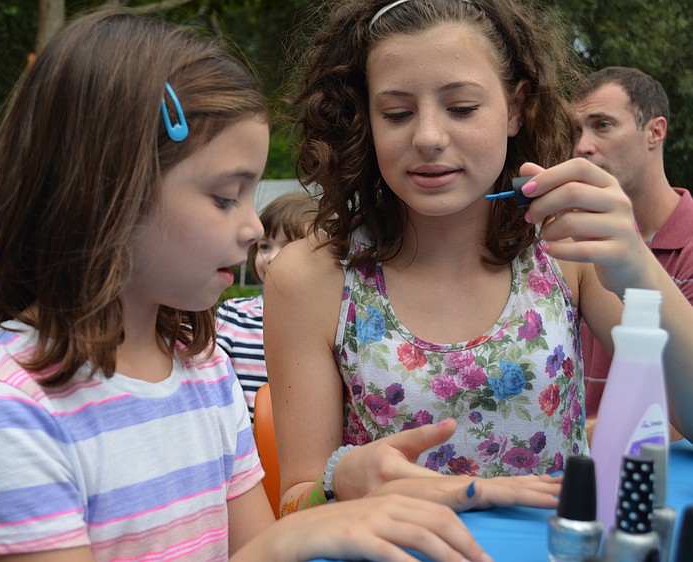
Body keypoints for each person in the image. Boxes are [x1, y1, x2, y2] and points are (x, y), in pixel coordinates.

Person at [0, 7, 498, 562]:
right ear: (108, 192)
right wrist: (286, 543)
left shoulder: (200, 367)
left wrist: (337, 492)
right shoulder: (6, 408)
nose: (253, 227)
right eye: (225, 197)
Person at [263, 0, 693, 515]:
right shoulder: (312, 276)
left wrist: (638, 270)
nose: (428, 137)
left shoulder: (565, 249)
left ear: (515, 109)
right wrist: (336, 483)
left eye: (462, 108)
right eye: (396, 113)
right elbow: (296, 503)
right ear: (365, 120)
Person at [570, 67, 693, 438]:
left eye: (602, 125)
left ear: (655, 131)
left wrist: (574, 433)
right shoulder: (567, 242)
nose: (582, 146)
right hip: (566, 478)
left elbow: (682, 408)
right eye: (576, 131)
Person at [216, 191, 317, 420]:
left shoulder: (331, 323)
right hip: (243, 446)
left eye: (289, 245)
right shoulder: (233, 315)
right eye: (264, 246)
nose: (271, 257)